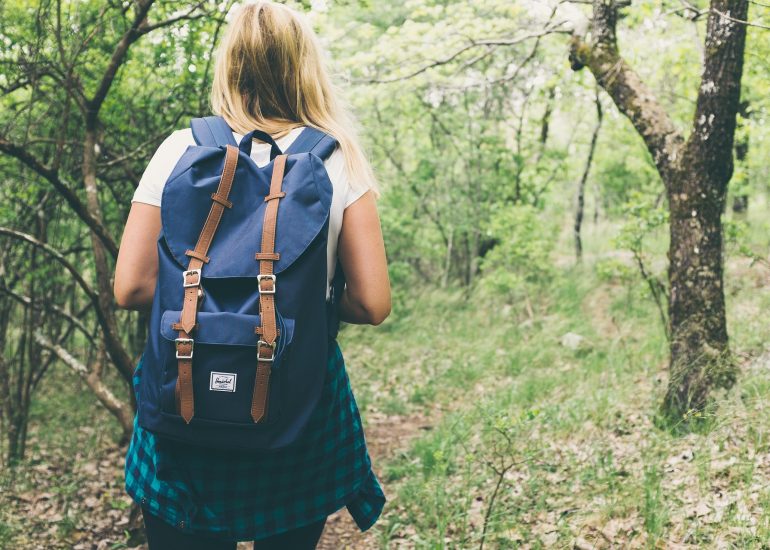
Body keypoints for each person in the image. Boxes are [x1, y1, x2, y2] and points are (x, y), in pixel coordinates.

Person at [113, 2, 391, 548]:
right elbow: (373, 304)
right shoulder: (339, 161)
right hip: (296, 406)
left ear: (230, 67)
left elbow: (131, 287)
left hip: (184, 401)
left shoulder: (180, 149)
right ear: (304, 67)